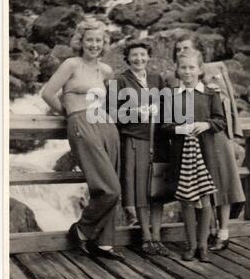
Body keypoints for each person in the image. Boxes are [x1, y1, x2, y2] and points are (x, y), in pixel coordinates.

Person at [41, 19, 124, 261]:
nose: (94, 44)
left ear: (104, 43)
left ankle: (105, 244)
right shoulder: (71, 64)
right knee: (109, 188)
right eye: (90, 40)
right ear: (81, 41)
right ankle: (82, 229)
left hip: (106, 125)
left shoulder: (105, 70)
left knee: (113, 184)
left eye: (99, 40)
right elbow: (47, 93)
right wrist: (68, 113)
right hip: (81, 123)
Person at [164, 32, 246, 251]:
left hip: (216, 137)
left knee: (223, 183)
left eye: (186, 47)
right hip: (191, 141)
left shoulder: (215, 72)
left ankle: (223, 231)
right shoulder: (173, 78)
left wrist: (235, 134)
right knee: (200, 187)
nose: (183, 52)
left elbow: (227, 104)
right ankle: (204, 235)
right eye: (179, 49)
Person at [161, 50, 226, 262]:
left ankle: (203, 245)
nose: (187, 71)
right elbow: (165, 126)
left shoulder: (210, 94)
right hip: (181, 155)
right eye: (183, 67)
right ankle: (190, 245)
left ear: (200, 70)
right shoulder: (171, 95)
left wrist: (205, 124)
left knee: (205, 198)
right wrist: (182, 129)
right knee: (186, 199)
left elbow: (220, 121)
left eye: (192, 67)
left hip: (205, 153)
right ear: (177, 70)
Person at [110, 39, 169, 256]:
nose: (139, 59)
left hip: (158, 141)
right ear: (127, 57)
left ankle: (157, 237)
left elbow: (168, 108)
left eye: (143, 55)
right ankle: (145, 237)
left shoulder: (157, 79)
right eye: (134, 55)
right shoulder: (120, 80)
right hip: (135, 140)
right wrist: (136, 113)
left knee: (157, 190)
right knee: (142, 190)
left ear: (149, 57)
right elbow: (112, 114)